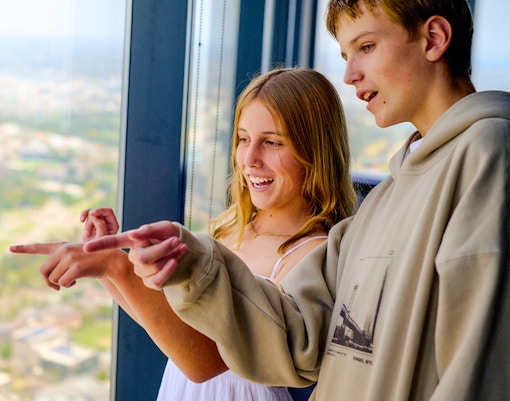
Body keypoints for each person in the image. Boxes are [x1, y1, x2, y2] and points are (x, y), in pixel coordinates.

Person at [79, 0, 510, 400]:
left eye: (367, 46)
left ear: (434, 38)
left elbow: (479, 359)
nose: (350, 74)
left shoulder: (487, 154)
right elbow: (296, 340)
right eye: (345, 55)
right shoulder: (386, 199)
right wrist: (185, 260)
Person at [10, 67, 358, 401]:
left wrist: (114, 267)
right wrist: (107, 261)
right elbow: (175, 327)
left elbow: (204, 362)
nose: (249, 158)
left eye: (272, 143)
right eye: (243, 139)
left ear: (315, 151)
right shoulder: (229, 231)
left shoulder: (310, 255)